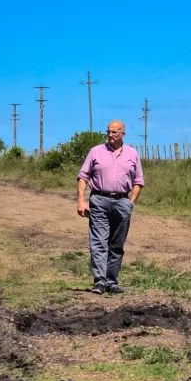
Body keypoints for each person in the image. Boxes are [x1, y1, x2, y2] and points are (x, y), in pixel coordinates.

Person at [76, 120, 144, 294]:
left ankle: (111, 281)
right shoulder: (96, 152)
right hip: (99, 199)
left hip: (122, 202)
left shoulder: (132, 154)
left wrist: (131, 202)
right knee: (98, 242)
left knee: (117, 244)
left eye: (115, 132)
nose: (111, 135)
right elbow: (83, 176)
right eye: (109, 131)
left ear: (123, 134)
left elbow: (138, 181)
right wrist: (81, 200)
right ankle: (99, 280)